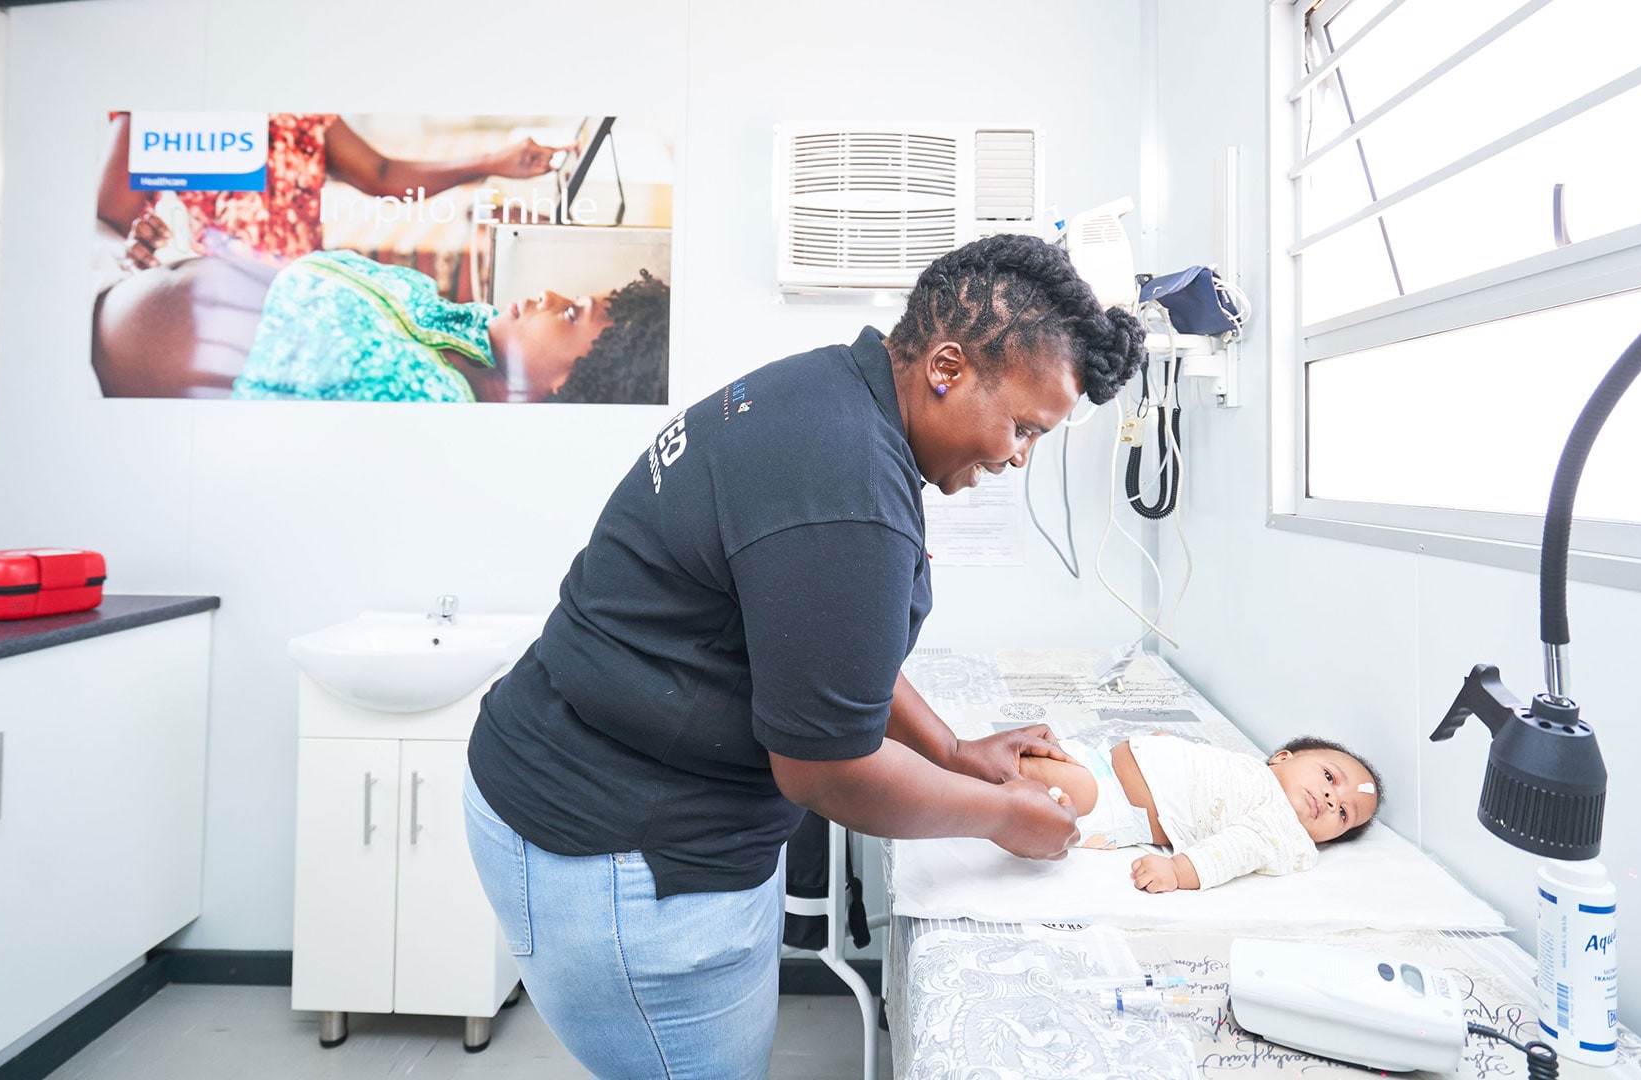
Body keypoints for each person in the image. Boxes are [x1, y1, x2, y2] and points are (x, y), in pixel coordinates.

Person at [462, 233, 1146, 1078]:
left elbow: (822, 642)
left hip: (576, 777)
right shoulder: (849, 490)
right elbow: (826, 772)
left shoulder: (833, 390)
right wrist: (1003, 816)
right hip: (620, 845)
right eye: (1023, 427)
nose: (1018, 456)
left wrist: (954, 753)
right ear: (946, 366)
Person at [91, 112, 575, 398]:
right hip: (192, 342)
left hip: (312, 336)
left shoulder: (298, 110)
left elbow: (381, 173)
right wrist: (135, 243)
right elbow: (107, 224)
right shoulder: (162, 105)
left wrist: (494, 163)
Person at [220, 249, 667, 403]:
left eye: (571, 314)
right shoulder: (474, 338)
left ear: (568, 380)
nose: (549, 297)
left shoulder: (433, 399)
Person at [1016, 733, 1383, 892]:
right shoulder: (1254, 773)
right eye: (1330, 777)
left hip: (1111, 799)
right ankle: (964, 763)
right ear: (1283, 758)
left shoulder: (1283, 831)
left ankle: (965, 774)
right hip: (1098, 759)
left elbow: (1234, 851)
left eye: (1344, 815)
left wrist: (1178, 870)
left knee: (1025, 777)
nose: (1332, 800)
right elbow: (1205, 773)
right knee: (1020, 752)